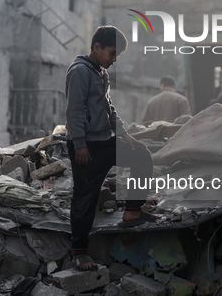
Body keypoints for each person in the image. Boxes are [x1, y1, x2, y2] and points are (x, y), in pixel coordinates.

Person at [65, 25, 156, 271]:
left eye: (117, 56)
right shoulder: (79, 72)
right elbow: (74, 111)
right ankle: (80, 252)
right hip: (86, 147)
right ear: (97, 47)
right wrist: (80, 145)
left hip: (105, 142)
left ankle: (132, 211)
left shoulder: (100, 72)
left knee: (142, 156)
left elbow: (109, 107)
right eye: (112, 53)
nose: (114, 60)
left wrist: (125, 135)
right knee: (85, 198)